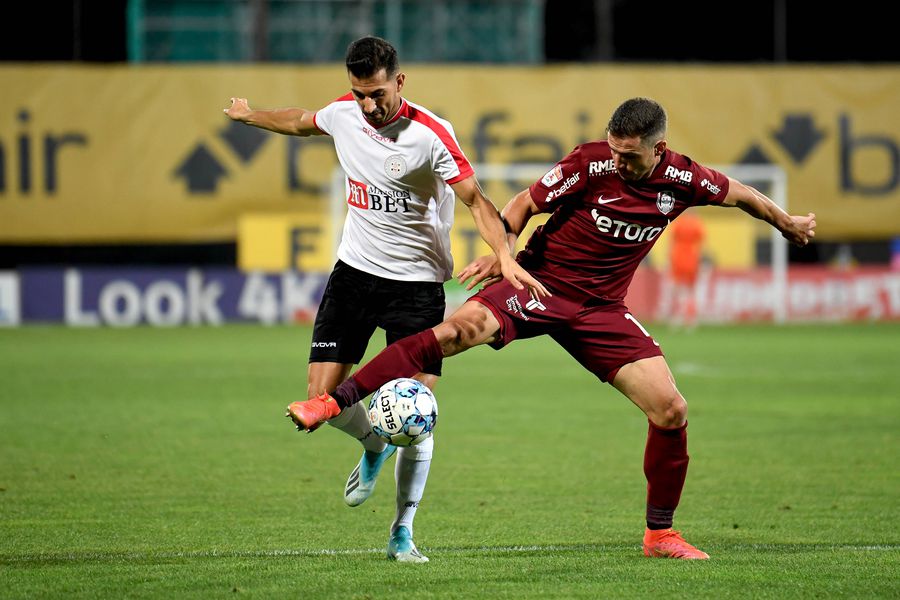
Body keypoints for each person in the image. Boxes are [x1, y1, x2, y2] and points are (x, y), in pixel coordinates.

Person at [286, 96, 817, 560]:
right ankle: (333, 403)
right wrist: (504, 252)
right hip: (538, 284)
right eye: (614, 149)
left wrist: (786, 222)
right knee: (453, 333)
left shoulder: (684, 179)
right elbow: (524, 203)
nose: (618, 160)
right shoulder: (590, 163)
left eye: (629, 155)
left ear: (659, 149)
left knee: (671, 409)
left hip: (601, 310)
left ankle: (660, 533)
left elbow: (742, 193)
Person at [224, 36, 546, 563]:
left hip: (416, 287)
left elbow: (476, 200)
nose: (369, 105)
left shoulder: (432, 135)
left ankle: (402, 531)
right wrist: (250, 115)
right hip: (353, 276)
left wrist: (504, 255)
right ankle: (372, 442)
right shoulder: (344, 114)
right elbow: (301, 121)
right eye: (359, 94)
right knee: (321, 399)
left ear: (399, 81)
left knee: (417, 413)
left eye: (377, 93)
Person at [664, 211, 706, 328]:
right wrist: (702, 261)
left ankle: (675, 317)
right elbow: (702, 244)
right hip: (692, 257)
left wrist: (668, 258)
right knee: (690, 290)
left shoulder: (678, 222)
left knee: (676, 288)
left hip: (678, 257)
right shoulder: (697, 224)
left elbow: (671, 241)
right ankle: (691, 318)